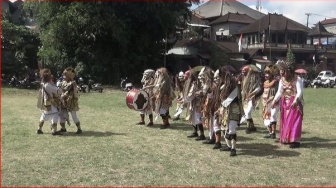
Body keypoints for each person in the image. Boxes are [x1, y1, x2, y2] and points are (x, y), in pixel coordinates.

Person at [271, 60, 304, 148]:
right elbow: (279, 91)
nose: (281, 73)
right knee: (285, 121)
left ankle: (295, 141)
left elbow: (300, 91)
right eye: (281, 71)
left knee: (294, 122)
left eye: (283, 71)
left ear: (289, 71)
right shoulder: (282, 80)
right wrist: (274, 100)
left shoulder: (297, 79)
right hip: (285, 103)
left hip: (295, 103)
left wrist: (295, 101)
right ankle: (286, 138)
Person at [216, 66, 243, 156]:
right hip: (224, 110)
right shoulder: (222, 86)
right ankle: (228, 146)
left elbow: (231, 98)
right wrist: (220, 108)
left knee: (231, 130)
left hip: (234, 110)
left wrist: (222, 106)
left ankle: (233, 148)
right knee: (224, 129)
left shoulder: (235, 85)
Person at [36, 68, 63, 135]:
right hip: (51, 102)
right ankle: (54, 130)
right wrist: (60, 88)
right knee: (55, 114)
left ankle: (39, 129)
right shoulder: (48, 85)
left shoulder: (43, 83)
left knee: (44, 115)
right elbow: (58, 91)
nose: (51, 76)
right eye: (50, 75)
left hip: (46, 102)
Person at [183, 68, 205, 140]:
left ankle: (202, 134)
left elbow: (202, 92)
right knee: (192, 118)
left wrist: (196, 94)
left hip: (197, 103)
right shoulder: (190, 82)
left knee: (198, 118)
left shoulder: (199, 83)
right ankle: (195, 132)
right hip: (192, 102)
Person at [59, 67, 82, 134]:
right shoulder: (63, 82)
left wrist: (63, 96)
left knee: (73, 115)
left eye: (65, 75)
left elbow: (69, 90)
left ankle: (79, 129)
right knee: (62, 114)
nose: (64, 76)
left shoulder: (73, 83)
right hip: (63, 101)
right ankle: (63, 128)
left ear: (69, 76)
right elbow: (61, 90)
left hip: (71, 101)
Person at [240, 65, 262, 134]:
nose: (243, 72)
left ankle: (249, 127)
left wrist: (252, 94)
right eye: (242, 71)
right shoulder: (244, 78)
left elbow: (258, 88)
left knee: (248, 112)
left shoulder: (255, 77)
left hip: (253, 97)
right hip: (245, 97)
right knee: (247, 112)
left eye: (244, 71)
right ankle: (251, 127)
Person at [261, 65, 279, 139]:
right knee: (266, 118)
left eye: (268, 73)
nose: (266, 75)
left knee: (272, 115)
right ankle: (270, 133)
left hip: (273, 102)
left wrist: (270, 100)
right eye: (265, 73)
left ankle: (273, 133)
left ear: (272, 74)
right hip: (265, 103)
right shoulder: (265, 83)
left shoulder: (275, 83)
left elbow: (275, 94)